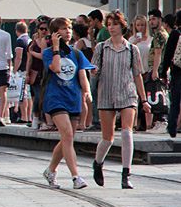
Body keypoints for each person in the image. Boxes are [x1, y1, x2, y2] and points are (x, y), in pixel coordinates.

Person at [91, 11, 148, 189]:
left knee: (126, 132)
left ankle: (126, 174)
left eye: (115, 24)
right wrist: (93, 72)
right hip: (106, 94)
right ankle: (98, 163)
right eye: (109, 24)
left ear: (122, 26)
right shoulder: (101, 47)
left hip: (127, 93)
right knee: (107, 138)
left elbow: (137, 75)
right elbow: (94, 71)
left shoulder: (132, 49)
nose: (111, 27)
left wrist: (144, 100)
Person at [41, 17, 95, 190]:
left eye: (69, 28)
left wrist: (87, 92)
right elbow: (56, 68)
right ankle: (76, 177)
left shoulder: (76, 53)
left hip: (72, 98)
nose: (68, 32)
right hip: (55, 98)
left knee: (67, 137)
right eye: (63, 29)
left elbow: (82, 75)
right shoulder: (48, 53)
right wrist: (56, 48)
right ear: (55, 33)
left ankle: (50, 170)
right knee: (67, 134)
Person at [158, 10, 181, 139]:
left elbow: (168, 54)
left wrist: (163, 72)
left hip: (177, 71)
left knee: (175, 101)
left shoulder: (175, 34)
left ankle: (172, 127)